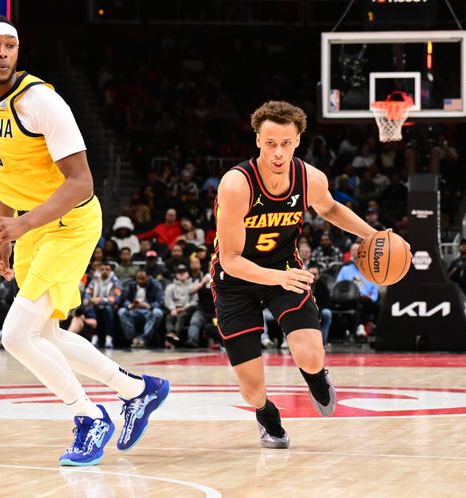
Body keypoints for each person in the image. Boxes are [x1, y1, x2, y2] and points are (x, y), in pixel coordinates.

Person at [0, 7, 168, 467]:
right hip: (29, 225)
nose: (3, 54)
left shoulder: (42, 102)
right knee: (42, 333)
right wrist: (4, 233)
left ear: (18, 52)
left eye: (10, 47)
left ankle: (89, 417)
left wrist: (21, 225)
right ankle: (138, 390)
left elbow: (82, 182)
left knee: (14, 336)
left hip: (69, 223)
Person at [212, 101, 387, 448]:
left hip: (284, 271)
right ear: (258, 140)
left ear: (298, 141)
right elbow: (230, 259)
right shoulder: (237, 185)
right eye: (270, 143)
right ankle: (266, 415)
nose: (278, 152)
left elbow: (331, 208)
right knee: (252, 389)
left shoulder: (309, 178)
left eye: (286, 143)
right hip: (235, 281)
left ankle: (317, 377)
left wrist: (372, 235)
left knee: (310, 352)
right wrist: (276, 278)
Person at [336, 242, 380, 338]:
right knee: (358, 303)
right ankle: (359, 327)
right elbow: (339, 286)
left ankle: (371, 329)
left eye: (358, 250)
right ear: (351, 253)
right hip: (348, 299)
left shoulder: (370, 271)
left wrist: (371, 298)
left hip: (366, 301)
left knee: (374, 305)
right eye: (354, 250)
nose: (356, 253)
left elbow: (375, 291)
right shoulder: (345, 269)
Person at [118, 269, 164, 348]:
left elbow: (160, 302)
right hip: (134, 309)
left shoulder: (156, 285)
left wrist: (148, 306)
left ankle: (143, 338)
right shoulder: (131, 285)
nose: (140, 281)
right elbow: (125, 300)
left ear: (148, 278)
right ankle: (134, 338)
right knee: (121, 311)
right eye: (138, 279)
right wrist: (130, 305)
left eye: (143, 279)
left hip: (148, 310)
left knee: (158, 313)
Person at [83, 262, 121, 349]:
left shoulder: (115, 281)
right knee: (91, 309)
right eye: (102, 269)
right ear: (99, 271)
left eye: (107, 269)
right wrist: (90, 300)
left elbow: (115, 299)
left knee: (106, 309)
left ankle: (109, 338)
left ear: (111, 271)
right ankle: (94, 337)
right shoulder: (94, 280)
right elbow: (87, 294)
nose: (104, 271)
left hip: (110, 307)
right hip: (94, 305)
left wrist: (100, 300)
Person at [163, 264, 198, 347]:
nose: (182, 274)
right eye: (179, 272)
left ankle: (174, 335)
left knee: (182, 316)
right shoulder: (170, 287)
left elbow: (194, 301)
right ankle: (171, 334)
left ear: (188, 274)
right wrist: (172, 309)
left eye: (184, 272)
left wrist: (184, 308)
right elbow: (168, 299)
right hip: (174, 309)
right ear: (176, 274)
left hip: (187, 310)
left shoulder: (193, 286)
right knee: (169, 317)